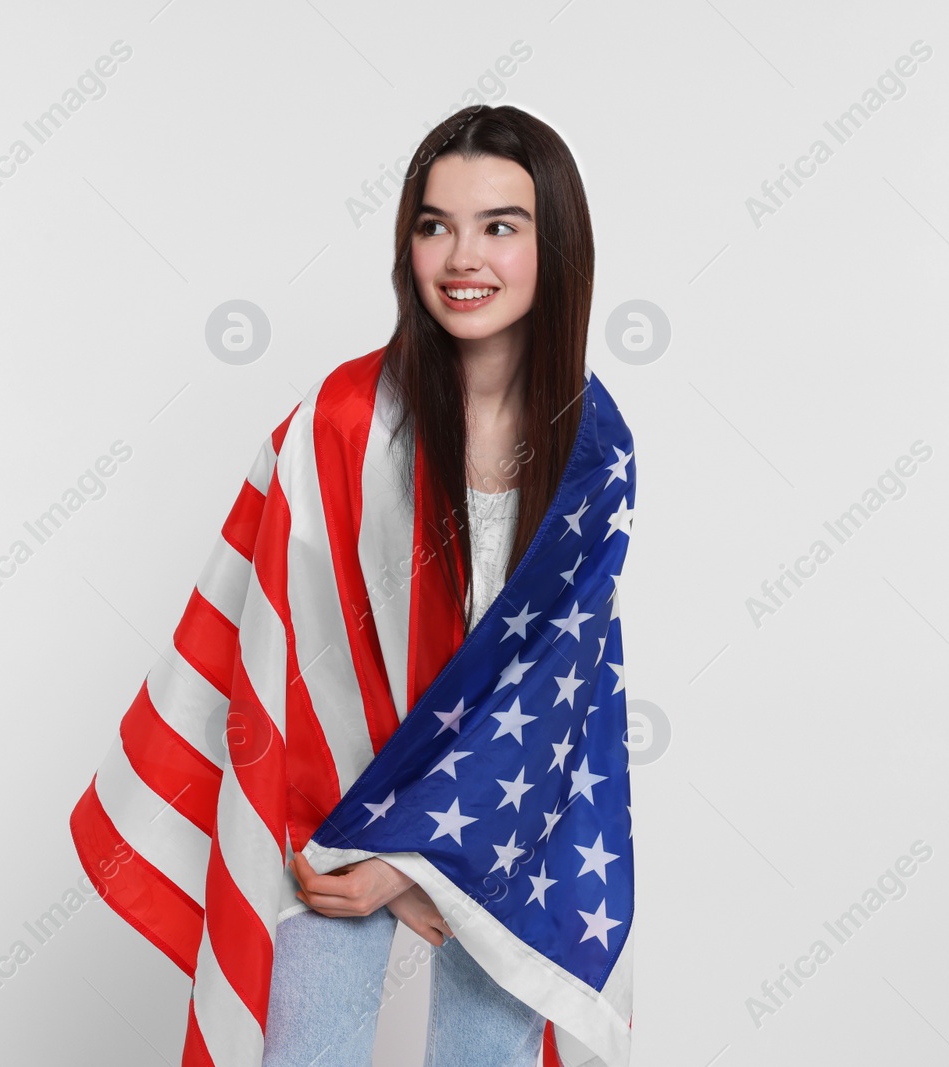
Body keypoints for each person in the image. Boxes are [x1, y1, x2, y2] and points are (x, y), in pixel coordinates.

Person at [259, 104, 598, 1067]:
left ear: (555, 244)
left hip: (504, 833)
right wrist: (380, 868)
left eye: (500, 225)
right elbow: (296, 657)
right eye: (433, 224)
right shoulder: (343, 421)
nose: (462, 257)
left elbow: (558, 696)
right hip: (334, 819)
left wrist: (428, 871)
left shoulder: (592, 445)